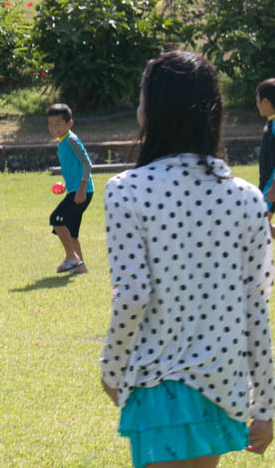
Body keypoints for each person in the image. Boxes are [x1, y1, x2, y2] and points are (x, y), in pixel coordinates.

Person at [100, 50, 274, 468]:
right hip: (222, 385)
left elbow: (133, 295)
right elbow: (257, 305)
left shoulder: (127, 191)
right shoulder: (247, 198)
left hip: (160, 388)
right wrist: (266, 406)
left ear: (151, 110)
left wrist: (111, 367)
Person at [46, 103, 94, 274]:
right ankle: (81, 266)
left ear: (69, 124)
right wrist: (67, 185)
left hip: (82, 192)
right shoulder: (62, 141)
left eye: (58, 123)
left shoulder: (72, 140)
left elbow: (87, 164)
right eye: (51, 124)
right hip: (75, 190)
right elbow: (74, 168)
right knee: (72, 232)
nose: (54, 128)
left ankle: (71, 257)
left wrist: (81, 188)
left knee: (57, 219)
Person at [255, 78, 275, 222]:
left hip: (270, 187)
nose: (257, 105)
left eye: (258, 100)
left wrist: (273, 186)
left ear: (266, 102)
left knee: (259, 226)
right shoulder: (271, 123)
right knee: (262, 227)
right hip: (267, 185)